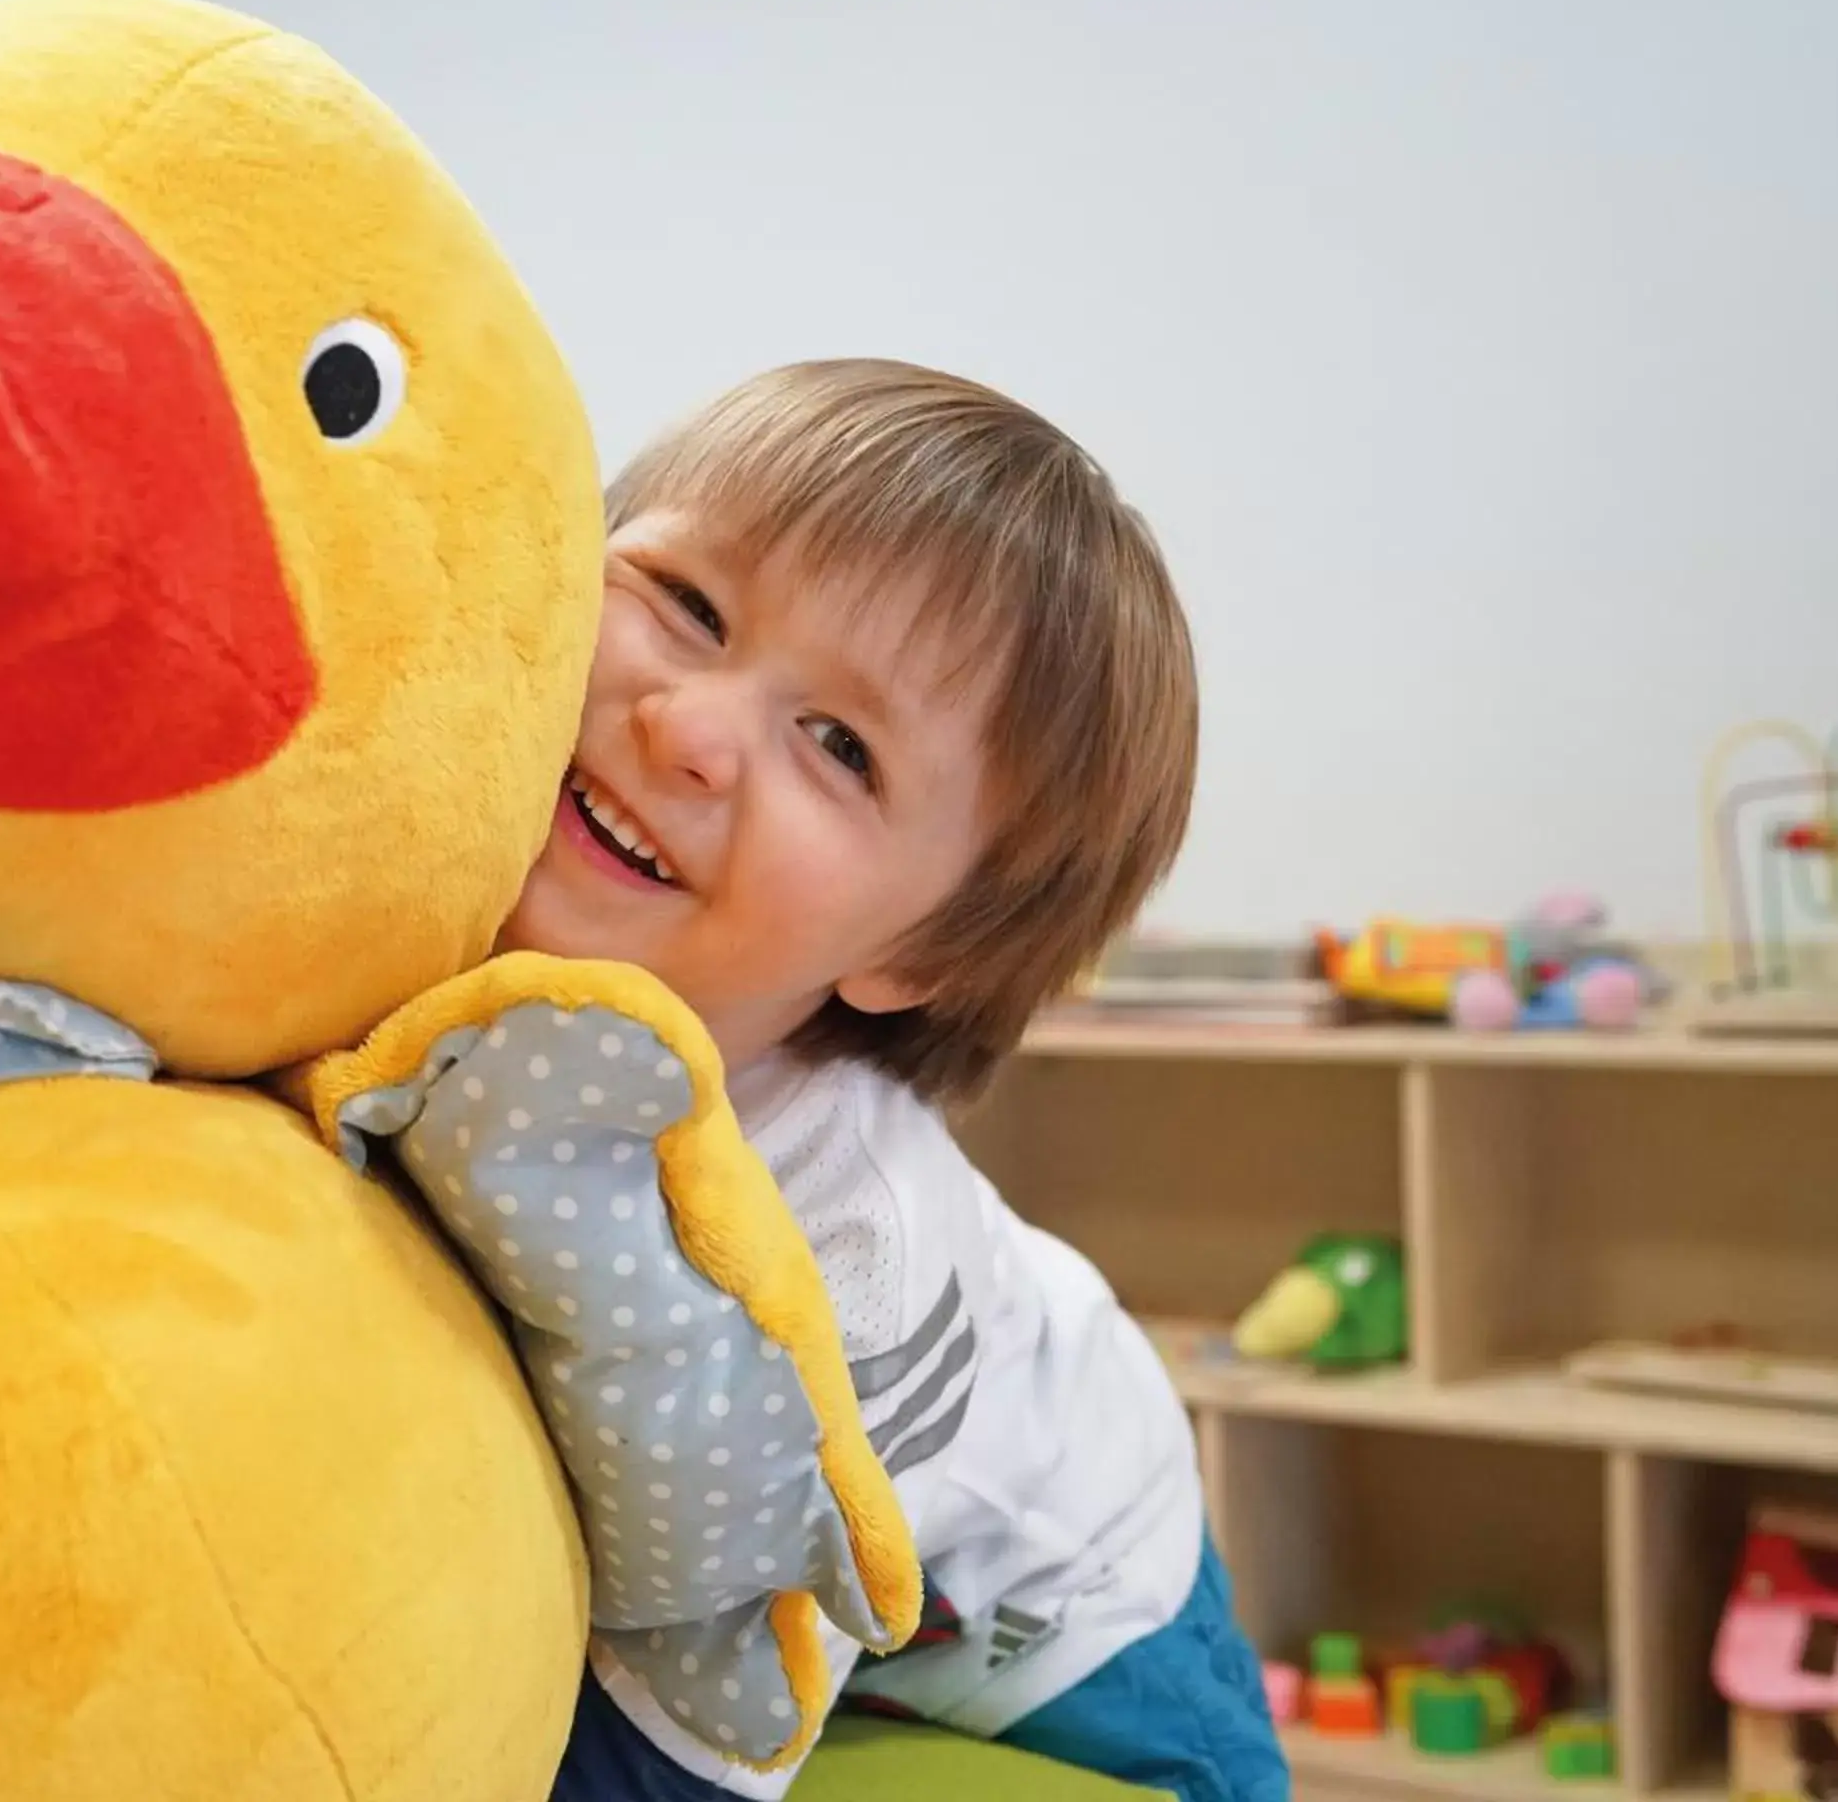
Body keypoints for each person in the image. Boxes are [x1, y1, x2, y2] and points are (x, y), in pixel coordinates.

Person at [506, 360, 1284, 1800]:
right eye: (687, 605)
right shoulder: (416, 874)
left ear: (921, 955)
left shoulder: (834, 1248)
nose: (690, 725)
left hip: (1076, 1613)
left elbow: (715, 1677)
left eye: (842, 748)